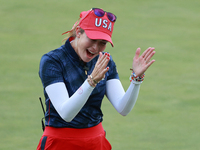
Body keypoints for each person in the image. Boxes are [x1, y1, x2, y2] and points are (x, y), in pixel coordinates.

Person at [36, 8, 155, 150]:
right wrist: (91, 82)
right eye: (92, 39)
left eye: (102, 43)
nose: (95, 48)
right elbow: (66, 114)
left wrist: (137, 78)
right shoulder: (53, 61)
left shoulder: (105, 61)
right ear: (79, 32)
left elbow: (123, 108)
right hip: (60, 143)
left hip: (96, 142)